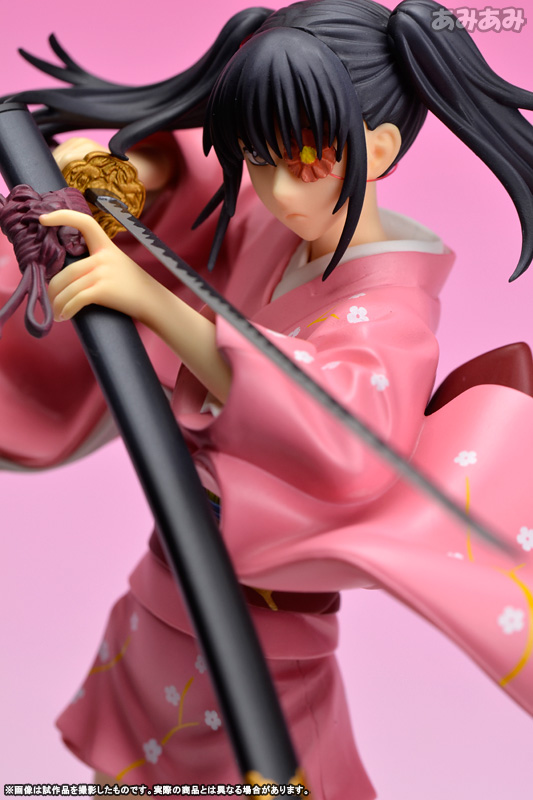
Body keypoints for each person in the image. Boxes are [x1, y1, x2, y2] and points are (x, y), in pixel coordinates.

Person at [2, 0, 533, 795]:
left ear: (377, 150)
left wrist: (156, 306)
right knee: (123, 772)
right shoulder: (278, 220)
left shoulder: (391, 305)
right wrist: (130, 175)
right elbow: (195, 184)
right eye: (257, 157)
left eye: (306, 160)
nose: (278, 190)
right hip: (166, 592)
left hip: (259, 636)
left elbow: (340, 430)